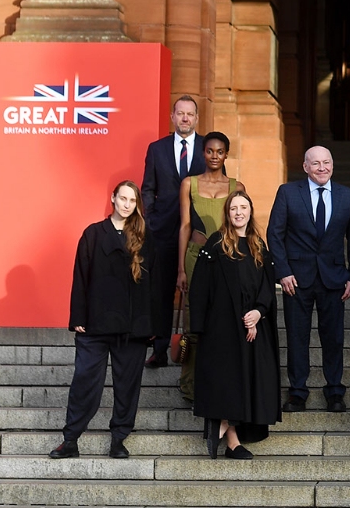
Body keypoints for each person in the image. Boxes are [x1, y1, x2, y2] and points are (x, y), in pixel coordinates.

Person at [49, 181, 155, 460]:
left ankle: (119, 439)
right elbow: (81, 275)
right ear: (113, 198)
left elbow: (153, 285)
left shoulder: (145, 236)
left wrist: (151, 326)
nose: (127, 204)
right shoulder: (93, 234)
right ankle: (70, 439)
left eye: (132, 200)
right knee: (84, 381)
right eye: (123, 198)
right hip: (95, 324)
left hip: (133, 327)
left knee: (127, 386)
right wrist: (78, 317)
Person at [267, 145, 350, 413]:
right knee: (297, 337)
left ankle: (334, 391)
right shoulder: (288, 192)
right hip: (296, 280)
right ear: (305, 166)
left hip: (334, 279)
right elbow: (274, 234)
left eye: (327, 163)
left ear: (333, 165)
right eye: (316, 163)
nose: (322, 168)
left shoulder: (347, 196)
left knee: (333, 338)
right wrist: (283, 271)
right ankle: (297, 392)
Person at [190, 191, 281, 460]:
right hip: (224, 328)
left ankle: (229, 429)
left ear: (251, 211)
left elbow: (266, 284)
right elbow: (201, 288)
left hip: (256, 326)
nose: (239, 212)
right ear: (227, 214)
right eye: (233, 209)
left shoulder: (257, 243)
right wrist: (201, 328)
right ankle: (231, 440)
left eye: (243, 207)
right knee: (231, 382)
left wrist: (258, 312)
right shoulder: (216, 244)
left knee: (250, 381)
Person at [175, 131, 244, 400]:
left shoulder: (236, 187)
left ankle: (218, 383)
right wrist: (181, 268)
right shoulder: (188, 184)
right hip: (195, 255)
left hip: (227, 259)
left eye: (220, 152)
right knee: (194, 318)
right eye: (210, 151)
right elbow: (184, 226)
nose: (215, 156)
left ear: (227, 154)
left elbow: (241, 229)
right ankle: (189, 386)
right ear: (203, 153)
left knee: (223, 319)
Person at [141, 95, 205, 368]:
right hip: (164, 232)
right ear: (172, 116)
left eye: (190, 114)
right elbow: (147, 189)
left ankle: (198, 349)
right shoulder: (157, 149)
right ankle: (159, 348)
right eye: (180, 113)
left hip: (201, 231)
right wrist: (152, 220)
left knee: (201, 289)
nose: (185, 118)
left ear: (197, 118)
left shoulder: (208, 148)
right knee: (162, 291)